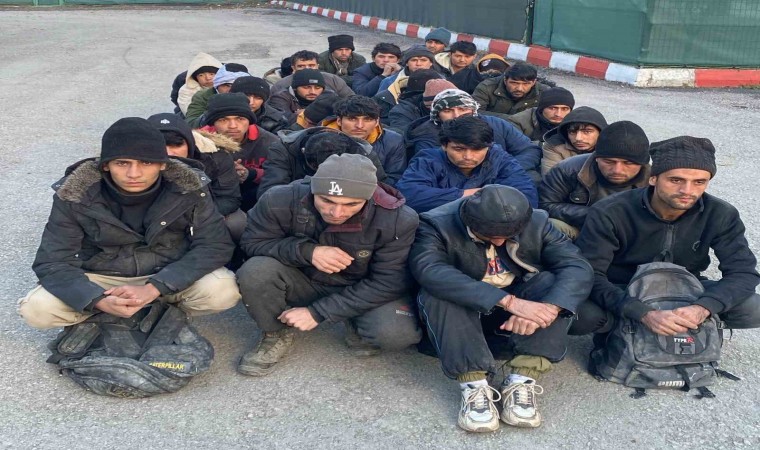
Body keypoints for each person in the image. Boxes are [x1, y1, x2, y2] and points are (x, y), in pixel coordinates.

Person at [18, 118, 240, 330]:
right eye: (122, 163)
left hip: (165, 272)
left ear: (163, 164)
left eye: (146, 162)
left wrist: (156, 287)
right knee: (37, 309)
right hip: (102, 277)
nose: (134, 173)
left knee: (222, 290)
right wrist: (96, 300)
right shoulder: (75, 193)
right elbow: (53, 261)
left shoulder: (189, 187)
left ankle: (154, 311)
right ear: (106, 165)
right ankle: (112, 314)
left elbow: (214, 245)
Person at [410, 185, 593, 432]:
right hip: (464, 313)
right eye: (489, 235)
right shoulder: (436, 224)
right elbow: (429, 270)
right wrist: (511, 303)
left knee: (552, 285)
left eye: (509, 235)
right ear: (468, 220)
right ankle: (474, 385)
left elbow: (577, 266)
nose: (499, 241)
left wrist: (549, 308)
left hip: (514, 313)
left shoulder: (537, 221)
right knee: (438, 291)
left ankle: (522, 378)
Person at [236, 153, 422, 376]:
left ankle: (354, 317)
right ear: (313, 189)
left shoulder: (398, 219)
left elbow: (389, 281)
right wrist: (307, 251)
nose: (336, 213)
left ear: (369, 197)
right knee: (255, 271)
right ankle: (274, 332)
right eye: (326, 200)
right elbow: (252, 242)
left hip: (361, 286)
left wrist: (318, 312)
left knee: (396, 334)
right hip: (304, 279)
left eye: (351, 204)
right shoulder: (279, 199)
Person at [572, 136, 760, 338]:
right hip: (625, 289)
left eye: (699, 182)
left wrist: (703, 307)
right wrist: (641, 313)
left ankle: (690, 326)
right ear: (653, 178)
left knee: (754, 307)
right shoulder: (610, 211)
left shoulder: (720, 214)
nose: (687, 191)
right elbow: (590, 274)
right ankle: (621, 331)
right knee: (580, 314)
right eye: (676, 180)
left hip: (684, 290)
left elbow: (743, 272)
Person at [397, 115, 537, 213]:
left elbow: (525, 198)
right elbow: (409, 195)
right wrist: (475, 194)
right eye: (459, 149)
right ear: (444, 146)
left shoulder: (500, 159)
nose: (468, 156)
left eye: (477, 149)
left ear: (488, 147)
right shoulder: (428, 160)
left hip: (491, 225)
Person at [539, 121, 651, 240]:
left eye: (628, 163)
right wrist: (597, 214)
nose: (617, 170)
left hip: (630, 236)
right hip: (581, 230)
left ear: (642, 163)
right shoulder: (568, 170)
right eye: (609, 162)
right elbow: (545, 205)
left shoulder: (655, 179)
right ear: (596, 157)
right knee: (546, 224)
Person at [147, 113, 246, 241]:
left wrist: (198, 218)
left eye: (177, 145)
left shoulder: (216, 158)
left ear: (190, 143)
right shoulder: (134, 164)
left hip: (204, 211)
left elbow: (229, 197)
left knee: (236, 222)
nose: (169, 153)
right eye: (160, 146)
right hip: (154, 216)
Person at [404, 88, 543, 180]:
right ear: (437, 115)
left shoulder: (496, 124)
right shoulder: (426, 134)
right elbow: (432, 168)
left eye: (463, 109)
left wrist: (508, 169)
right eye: (448, 111)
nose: (457, 115)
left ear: (473, 110)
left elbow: (529, 149)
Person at [198, 93, 280, 211]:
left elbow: (280, 174)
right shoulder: (198, 143)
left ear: (249, 120)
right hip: (213, 199)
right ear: (213, 123)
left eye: (240, 119)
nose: (233, 126)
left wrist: (251, 173)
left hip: (255, 197)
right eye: (223, 119)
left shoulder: (270, 142)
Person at [257, 128, 388, 200]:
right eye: (318, 169)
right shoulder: (283, 150)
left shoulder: (363, 153)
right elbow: (269, 193)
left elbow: (380, 192)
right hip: (296, 204)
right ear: (303, 152)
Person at [322, 95, 406, 185]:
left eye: (367, 119)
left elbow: (394, 179)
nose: (359, 126)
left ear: (377, 122)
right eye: (352, 119)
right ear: (339, 120)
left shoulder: (392, 141)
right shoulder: (320, 140)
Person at [373, 48, 439, 124]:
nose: (418, 64)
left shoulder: (442, 80)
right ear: (407, 63)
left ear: (431, 63)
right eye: (414, 60)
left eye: (423, 60)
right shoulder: (389, 81)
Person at [541, 106, 608, 175]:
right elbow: (552, 177)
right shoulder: (554, 146)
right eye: (572, 132)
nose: (578, 138)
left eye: (587, 132)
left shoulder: (612, 145)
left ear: (601, 132)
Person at [472, 62, 550, 116]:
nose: (519, 88)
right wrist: (511, 120)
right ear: (505, 80)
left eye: (526, 84)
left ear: (533, 82)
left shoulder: (545, 92)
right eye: (514, 83)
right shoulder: (487, 87)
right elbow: (474, 112)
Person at [185, 65, 251, 128]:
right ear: (217, 85)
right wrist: (214, 111)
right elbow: (191, 124)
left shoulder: (253, 97)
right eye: (227, 85)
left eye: (237, 85)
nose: (231, 90)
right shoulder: (203, 96)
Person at [271, 50, 354, 98]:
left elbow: (351, 100)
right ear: (293, 68)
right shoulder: (281, 85)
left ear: (317, 66)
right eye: (301, 66)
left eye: (311, 65)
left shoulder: (333, 80)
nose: (307, 69)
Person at [508, 87, 575, 143]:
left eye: (564, 109)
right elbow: (516, 146)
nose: (558, 114)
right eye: (552, 108)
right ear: (541, 108)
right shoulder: (518, 122)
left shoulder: (576, 123)